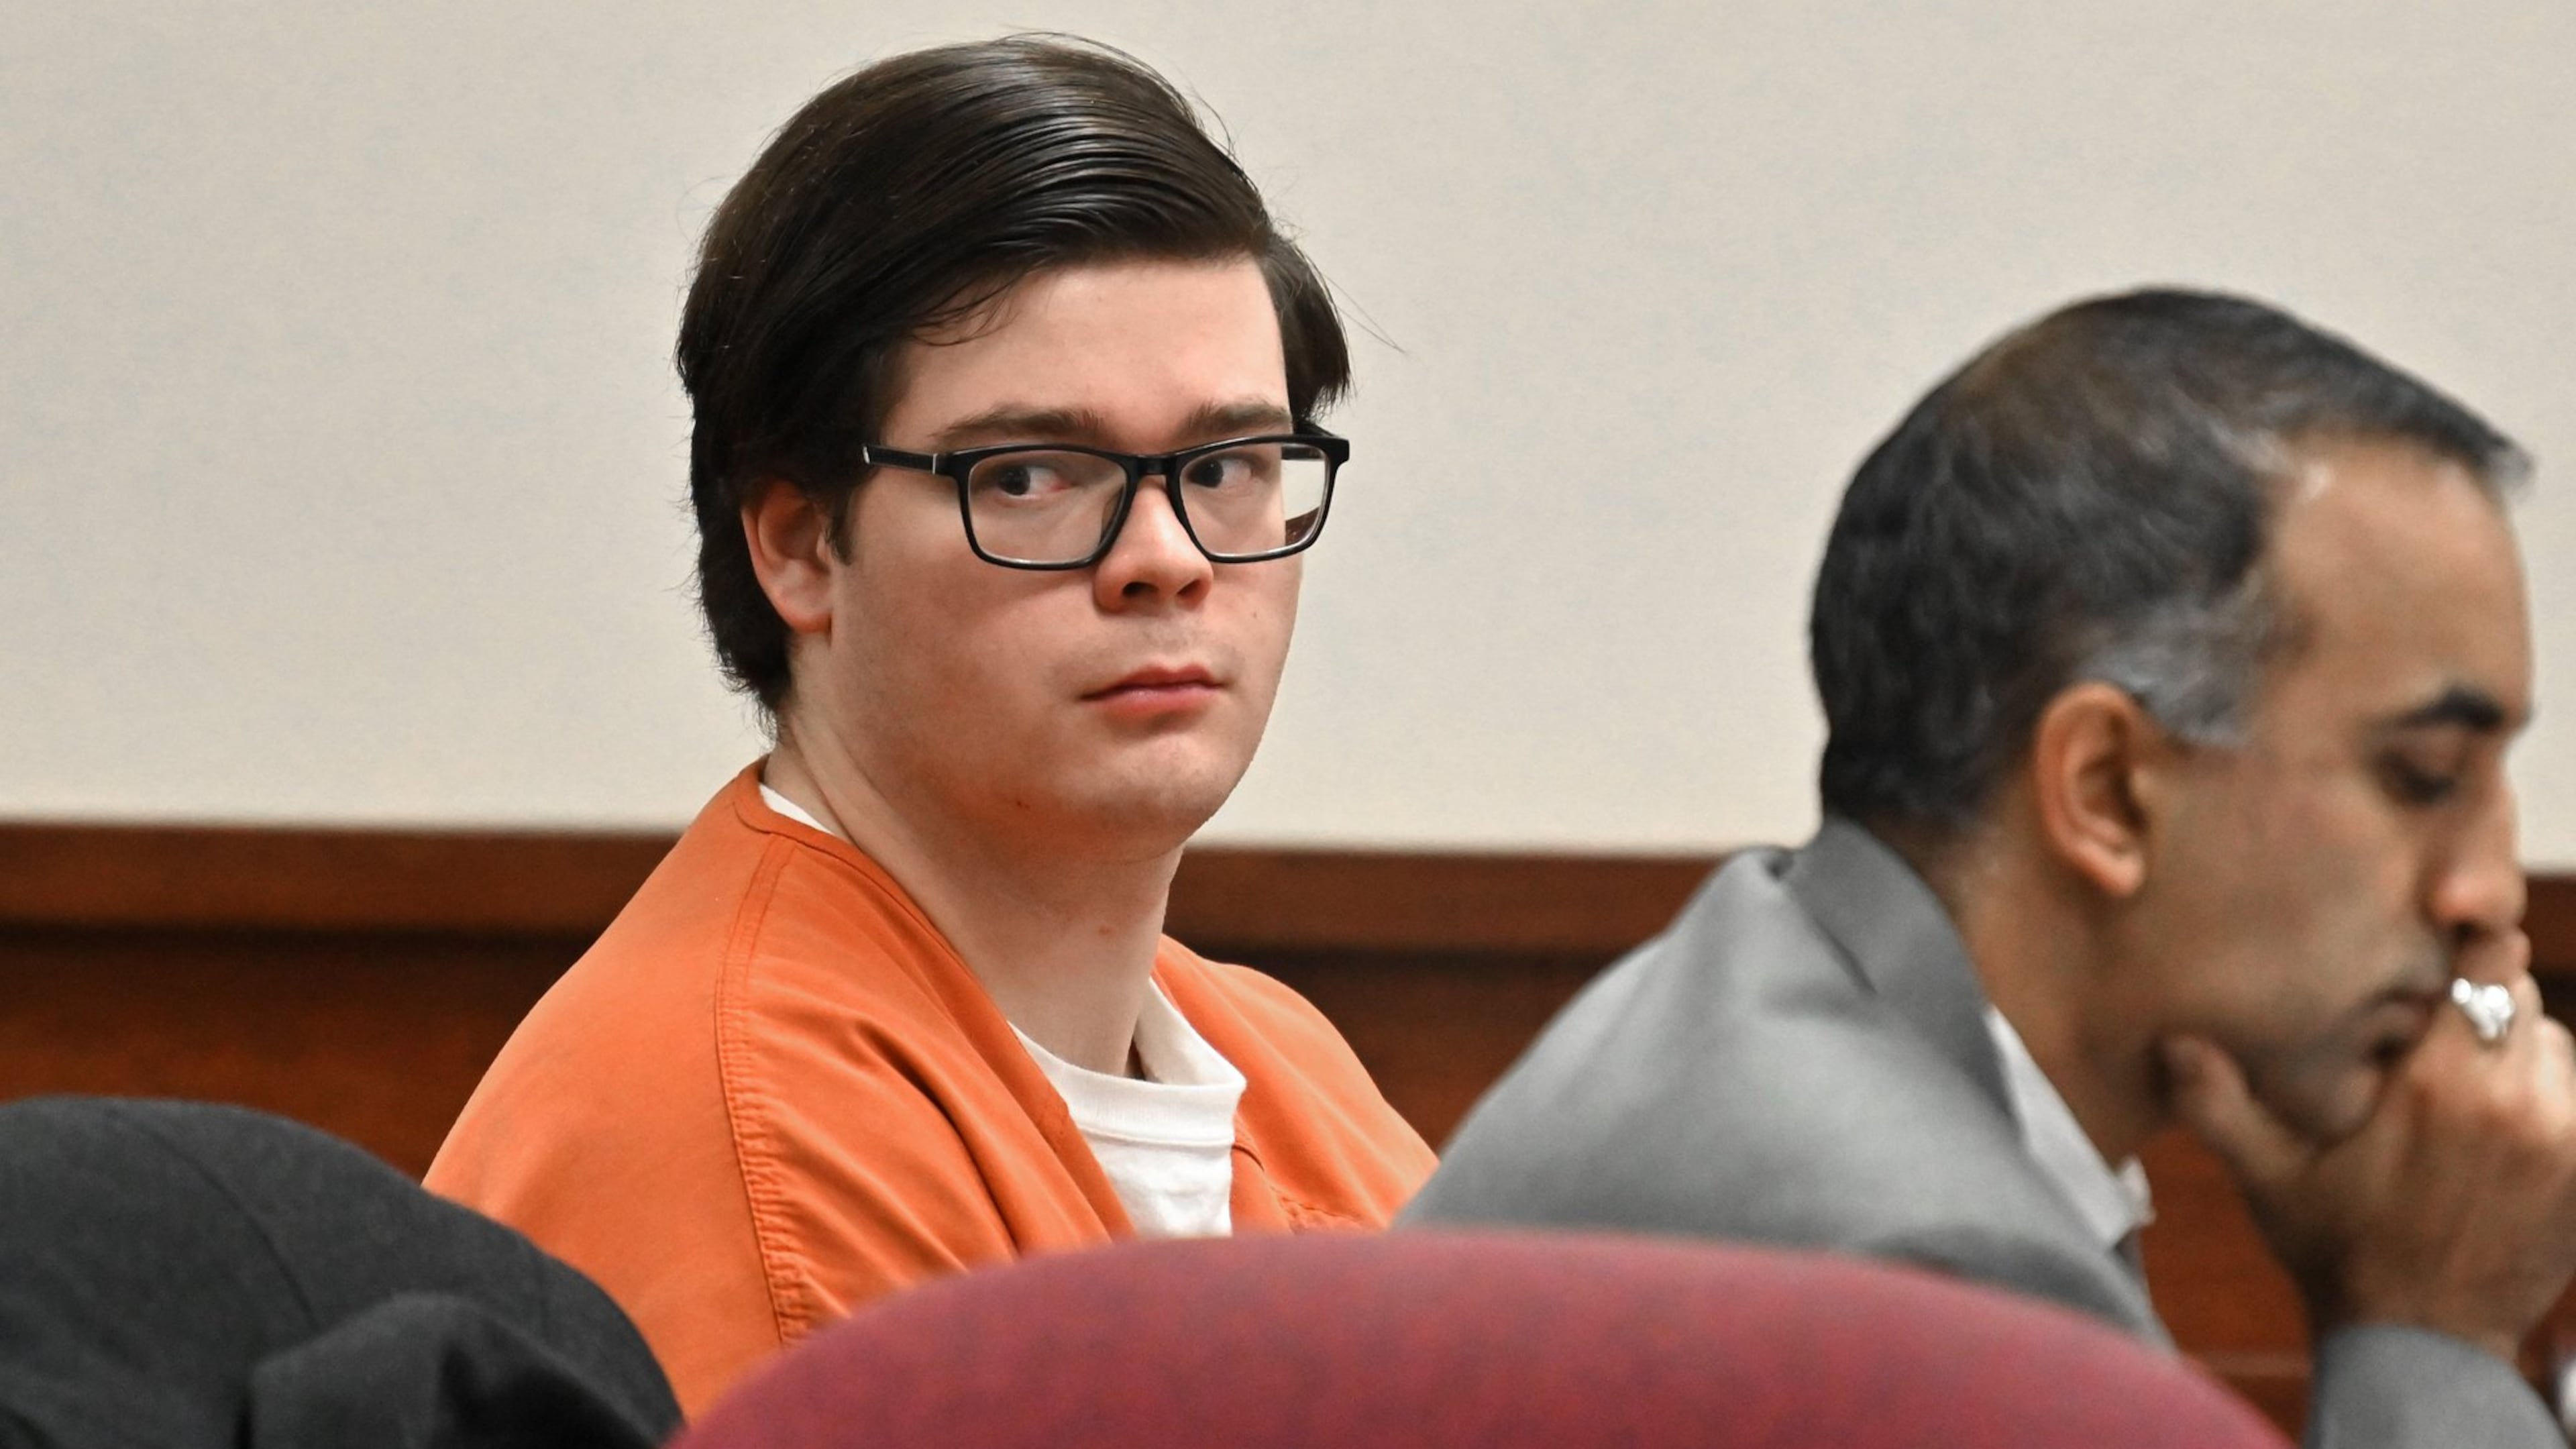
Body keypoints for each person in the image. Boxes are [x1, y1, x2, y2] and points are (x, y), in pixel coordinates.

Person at [427, 36, 1434, 1416]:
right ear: (797, 544)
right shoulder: (733, 1124)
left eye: (1229, 467)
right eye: (1029, 473)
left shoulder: (1280, 1059)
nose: (1166, 555)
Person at [1407, 289, 2576, 1445]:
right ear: (2108, 793)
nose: (2487, 894)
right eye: (2424, 776)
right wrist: (2433, 1337)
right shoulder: (1937, 1286)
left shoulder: (1744, 991)